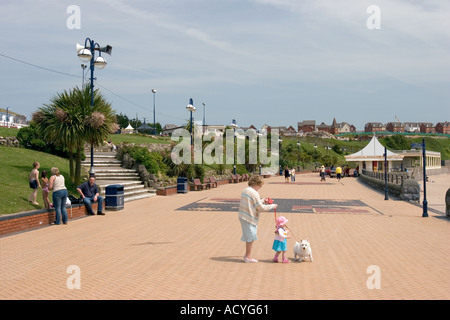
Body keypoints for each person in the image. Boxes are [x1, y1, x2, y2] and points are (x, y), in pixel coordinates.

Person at [238, 175, 277, 263]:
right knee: (251, 236)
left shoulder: (245, 190)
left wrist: (263, 200)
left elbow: (253, 202)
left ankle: (247, 255)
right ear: (256, 183)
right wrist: (272, 206)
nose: (260, 188)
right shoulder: (254, 193)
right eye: (260, 186)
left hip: (243, 216)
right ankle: (248, 257)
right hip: (249, 217)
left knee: (249, 235)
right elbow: (260, 207)